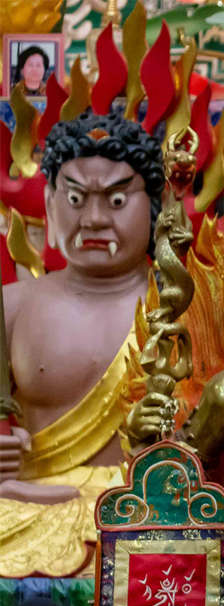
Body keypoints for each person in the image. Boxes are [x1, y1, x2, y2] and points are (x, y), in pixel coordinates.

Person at [0, 111, 165, 576]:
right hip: (29, 504)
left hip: (147, 510)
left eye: (116, 200)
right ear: (49, 204)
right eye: (75, 198)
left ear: (155, 206)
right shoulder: (11, 306)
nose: (93, 219)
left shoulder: (183, 308)